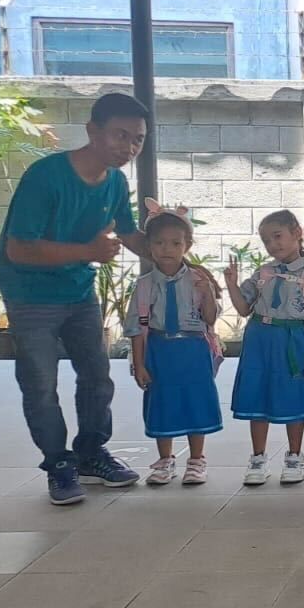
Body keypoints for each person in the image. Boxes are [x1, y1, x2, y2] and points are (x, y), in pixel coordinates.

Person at [0, 92, 150, 505]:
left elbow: (130, 235)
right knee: (40, 383)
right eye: (120, 135)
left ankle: (91, 454)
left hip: (78, 290)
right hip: (29, 294)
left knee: (97, 376)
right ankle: (58, 463)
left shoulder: (115, 181)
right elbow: (19, 249)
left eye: (138, 140)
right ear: (93, 131)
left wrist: (177, 252)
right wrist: (87, 252)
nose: (129, 147)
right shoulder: (46, 177)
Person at [224, 209, 304, 485]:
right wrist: (231, 284)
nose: (274, 245)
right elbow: (242, 308)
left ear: (297, 232)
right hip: (259, 339)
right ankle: (258, 458)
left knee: (292, 397)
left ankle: (294, 456)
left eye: (278, 236)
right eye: (267, 241)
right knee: (258, 397)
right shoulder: (263, 272)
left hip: (292, 341)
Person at [127, 204, 222, 486]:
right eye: (159, 243)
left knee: (195, 401)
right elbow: (135, 328)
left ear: (187, 245)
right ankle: (165, 460)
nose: (167, 249)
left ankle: (197, 460)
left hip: (193, 349)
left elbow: (211, 319)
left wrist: (207, 295)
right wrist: (139, 363)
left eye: (175, 243)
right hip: (160, 348)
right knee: (162, 401)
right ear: (149, 246)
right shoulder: (144, 285)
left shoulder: (199, 280)